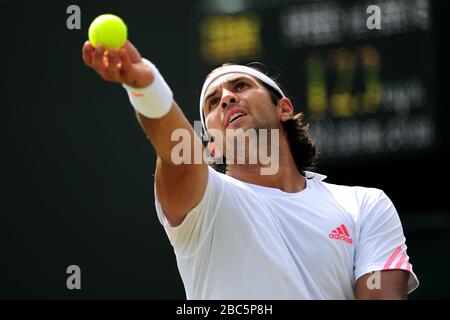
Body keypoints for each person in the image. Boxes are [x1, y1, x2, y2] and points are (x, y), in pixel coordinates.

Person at [82, 40, 419, 300]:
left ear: (284, 108)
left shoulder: (364, 205)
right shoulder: (208, 202)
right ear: (211, 145)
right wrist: (146, 85)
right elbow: (176, 155)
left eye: (240, 86)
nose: (227, 98)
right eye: (213, 102)